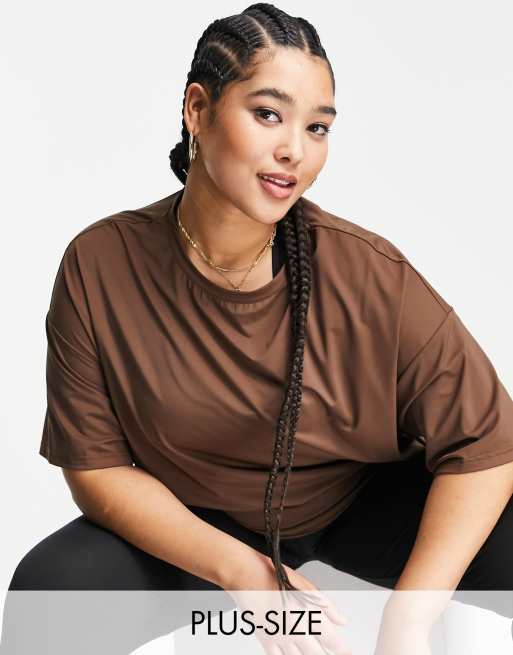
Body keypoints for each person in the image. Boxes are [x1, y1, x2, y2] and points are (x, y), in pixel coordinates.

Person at [2, 3, 513, 653]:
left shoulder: (366, 271)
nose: (294, 149)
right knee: (50, 591)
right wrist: (243, 570)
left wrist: (408, 620)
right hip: (200, 516)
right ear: (197, 109)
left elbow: (487, 444)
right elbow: (96, 468)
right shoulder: (100, 263)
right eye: (268, 114)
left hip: (358, 502)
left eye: (318, 127)